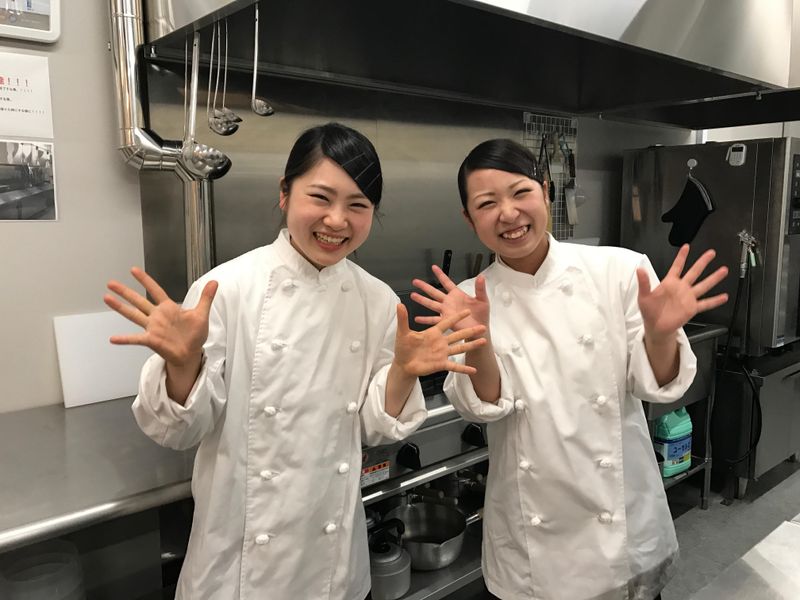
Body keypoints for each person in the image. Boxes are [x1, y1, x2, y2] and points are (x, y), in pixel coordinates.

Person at [104, 123, 487, 600]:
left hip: (334, 567)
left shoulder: (376, 301)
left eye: (358, 206)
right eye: (320, 198)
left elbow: (374, 430)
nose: (337, 220)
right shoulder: (226, 289)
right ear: (285, 193)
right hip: (237, 572)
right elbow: (178, 432)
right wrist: (183, 366)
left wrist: (404, 372)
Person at [410, 139, 728, 600]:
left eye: (520, 192)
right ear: (469, 218)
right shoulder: (468, 298)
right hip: (532, 548)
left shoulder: (620, 270)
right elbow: (483, 408)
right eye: (487, 203)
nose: (508, 214)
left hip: (620, 529)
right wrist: (479, 340)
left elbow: (656, 385)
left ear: (545, 190)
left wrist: (660, 335)